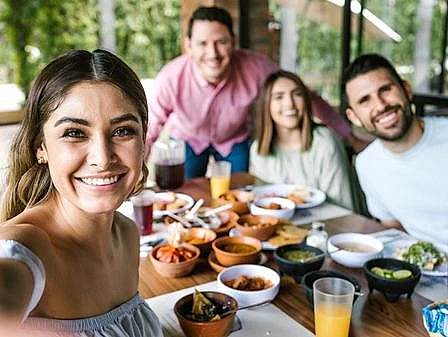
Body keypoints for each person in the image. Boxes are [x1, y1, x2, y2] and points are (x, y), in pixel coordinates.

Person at [0, 49, 163, 336]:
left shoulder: (126, 233)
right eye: (75, 133)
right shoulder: (22, 248)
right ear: (41, 147)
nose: (102, 157)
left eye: (123, 131)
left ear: (143, 138)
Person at [146, 5, 367, 179]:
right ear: (188, 45)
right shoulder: (171, 77)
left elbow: (305, 95)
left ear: (233, 41)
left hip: (234, 140)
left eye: (220, 42)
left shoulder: (256, 68)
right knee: (183, 196)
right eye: (202, 43)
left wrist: (348, 136)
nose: (212, 53)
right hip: (187, 138)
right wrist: (137, 167)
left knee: (239, 195)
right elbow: (151, 125)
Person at [343, 53, 448, 252]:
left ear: (406, 90)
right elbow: (394, 231)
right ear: (353, 116)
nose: (381, 105)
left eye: (386, 89)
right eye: (365, 100)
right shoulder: (366, 164)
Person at [250, 70, 354, 210]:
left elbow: (343, 208)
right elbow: (264, 204)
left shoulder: (325, 142)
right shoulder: (258, 150)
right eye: (279, 97)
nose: (290, 104)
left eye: (297, 94)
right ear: (266, 105)